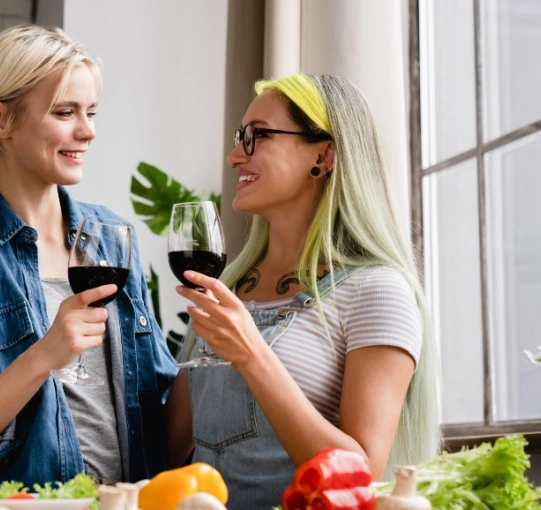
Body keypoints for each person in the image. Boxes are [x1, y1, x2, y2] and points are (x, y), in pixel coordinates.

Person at [0, 25, 177, 493]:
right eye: (65, 112)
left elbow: (160, 398)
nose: (87, 131)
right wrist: (44, 356)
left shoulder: (111, 239)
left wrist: (222, 355)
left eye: (90, 112)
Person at [166, 73, 441, 508]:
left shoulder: (377, 291)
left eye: (258, 137)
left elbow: (361, 472)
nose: (235, 155)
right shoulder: (231, 286)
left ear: (324, 155)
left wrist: (252, 353)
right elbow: (172, 447)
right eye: (241, 137)